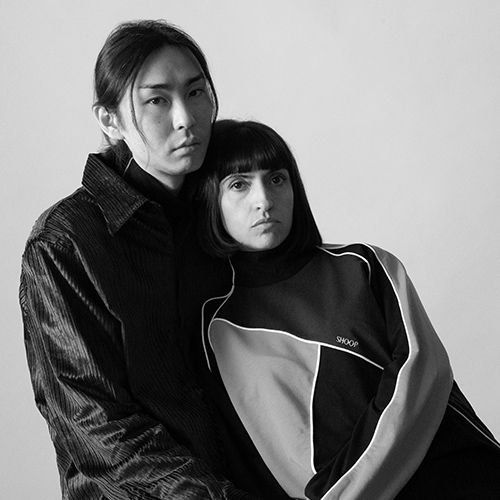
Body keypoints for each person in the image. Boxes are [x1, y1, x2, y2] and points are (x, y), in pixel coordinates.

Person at [195, 119, 500, 499]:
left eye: (276, 179)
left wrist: (343, 493)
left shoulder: (364, 265)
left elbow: (424, 368)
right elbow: (250, 458)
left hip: (462, 474)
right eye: (239, 184)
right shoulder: (214, 327)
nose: (264, 200)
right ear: (209, 197)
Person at [19, 21, 256, 500]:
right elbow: (96, 426)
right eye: (157, 101)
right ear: (110, 120)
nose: (186, 118)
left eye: (195, 92)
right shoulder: (64, 243)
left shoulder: (223, 211)